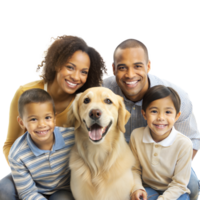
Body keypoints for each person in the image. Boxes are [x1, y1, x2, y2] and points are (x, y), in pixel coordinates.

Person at [0, 32, 107, 200]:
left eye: (83, 72)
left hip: (62, 181)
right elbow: (9, 144)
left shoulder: (83, 104)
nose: (76, 77)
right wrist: (27, 176)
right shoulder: (25, 93)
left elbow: (89, 148)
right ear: (57, 64)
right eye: (70, 67)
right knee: (4, 186)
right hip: (29, 171)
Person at [102, 38, 200, 200]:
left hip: (169, 165)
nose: (130, 74)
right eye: (122, 67)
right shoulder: (102, 90)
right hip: (124, 166)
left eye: (137, 66)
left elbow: (191, 143)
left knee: (191, 185)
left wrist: (163, 175)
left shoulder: (177, 98)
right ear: (112, 69)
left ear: (150, 66)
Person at [9, 88, 75, 200]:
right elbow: (27, 193)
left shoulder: (72, 137)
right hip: (35, 189)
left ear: (54, 118)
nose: (42, 125)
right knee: (5, 186)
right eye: (33, 119)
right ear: (22, 122)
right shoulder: (17, 154)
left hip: (63, 190)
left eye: (47, 118)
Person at [129, 85, 192, 200]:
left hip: (176, 191)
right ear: (144, 114)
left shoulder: (184, 144)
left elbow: (180, 184)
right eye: (154, 111)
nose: (161, 117)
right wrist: (137, 187)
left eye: (168, 112)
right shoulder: (136, 136)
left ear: (177, 116)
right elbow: (134, 168)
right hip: (148, 188)